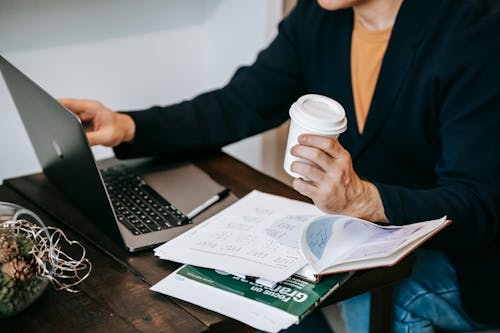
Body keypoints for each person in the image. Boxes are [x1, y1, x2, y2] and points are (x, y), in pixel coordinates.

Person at [60, 0, 500, 332]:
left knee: (376, 300)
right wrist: (129, 125)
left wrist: (365, 199)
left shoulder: (476, 29)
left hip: (466, 263)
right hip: (366, 241)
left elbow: (479, 203)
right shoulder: (319, 17)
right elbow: (239, 104)